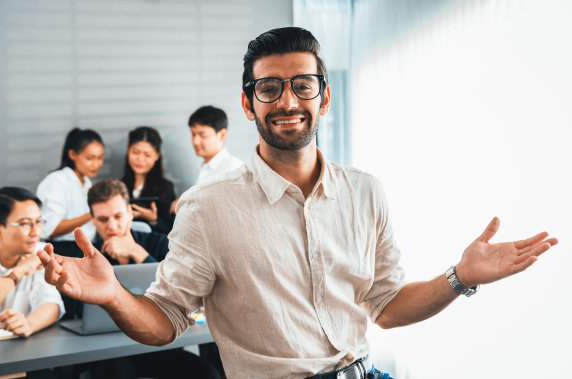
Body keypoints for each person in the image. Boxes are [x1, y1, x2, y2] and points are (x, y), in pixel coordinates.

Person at [37, 27, 558, 379]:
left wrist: (459, 276)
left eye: (302, 86)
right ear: (248, 103)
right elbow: (167, 318)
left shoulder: (366, 191)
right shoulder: (206, 207)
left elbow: (387, 308)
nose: (287, 101)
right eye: (269, 88)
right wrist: (113, 298)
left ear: (323, 97)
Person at [83, 179, 220, 379]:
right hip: (112, 353)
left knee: (208, 375)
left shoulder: (161, 243)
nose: (112, 225)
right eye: (103, 219)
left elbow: (179, 290)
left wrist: (137, 253)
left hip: (160, 347)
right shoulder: (88, 257)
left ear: (130, 213)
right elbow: (83, 313)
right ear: (93, 220)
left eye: (118, 216)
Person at [0, 187, 64, 335]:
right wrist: (17, 272)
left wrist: (29, 325)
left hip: (18, 347)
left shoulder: (39, 252)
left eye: (38, 222)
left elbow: (52, 304)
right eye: (24, 223)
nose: (35, 232)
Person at [169, 106, 243, 214]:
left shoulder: (233, 169)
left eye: (202, 135)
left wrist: (184, 205)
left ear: (221, 135)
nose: (195, 141)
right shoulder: (205, 167)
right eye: (193, 134)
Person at [37, 127, 104, 242]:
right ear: (73, 154)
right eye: (90, 158)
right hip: (64, 248)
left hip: (89, 246)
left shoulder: (87, 183)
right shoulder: (56, 181)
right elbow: (49, 230)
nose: (96, 164)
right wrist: (94, 213)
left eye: (100, 158)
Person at [120, 126, 176, 234]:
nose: (140, 159)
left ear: (157, 156)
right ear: (128, 150)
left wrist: (153, 220)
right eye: (135, 152)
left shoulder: (166, 188)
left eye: (147, 155)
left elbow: (172, 231)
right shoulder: (118, 186)